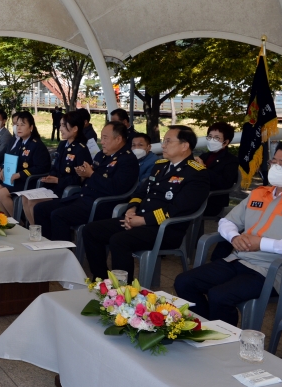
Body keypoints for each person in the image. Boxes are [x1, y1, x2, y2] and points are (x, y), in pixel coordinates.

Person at [174, 141, 282, 325]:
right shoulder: (259, 193)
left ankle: (222, 342)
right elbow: (227, 221)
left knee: (220, 295)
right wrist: (234, 237)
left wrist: (261, 243)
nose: (275, 167)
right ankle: (207, 328)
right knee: (184, 282)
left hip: (270, 270)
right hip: (238, 259)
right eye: (273, 162)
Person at [82, 125, 210, 282]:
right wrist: (131, 209)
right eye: (164, 141)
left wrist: (142, 220)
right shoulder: (160, 165)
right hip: (138, 219)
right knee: (91, 230)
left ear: (184, 146)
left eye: (168, 141)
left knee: (119, 240)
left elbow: (177, 209)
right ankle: (101, 278)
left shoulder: (196, 174)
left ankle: (122, 291)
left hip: (166, 228)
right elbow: (140, 193)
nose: (163, 145)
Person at [32, 121, 137, 241]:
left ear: (118, 139)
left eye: (105, 138)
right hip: (83, 198)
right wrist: (83, 174)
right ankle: (48, 247)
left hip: (101, 204)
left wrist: (91, 174)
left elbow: (116, 188)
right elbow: (90, 178)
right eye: (101, 137)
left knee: (58, 215)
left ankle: (63, 253)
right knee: (40, 209)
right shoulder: (101, 155)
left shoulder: (127, 160)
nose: (102, 142)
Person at [21, 109, 92, 225]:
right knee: (25, 198)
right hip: (54, 187)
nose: (60, 129)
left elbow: (80, 178)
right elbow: (56, 166)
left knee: (34, 203)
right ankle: (35, 230)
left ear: (75, 129)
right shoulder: (63, 144)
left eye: (64, 126)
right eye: (60, 125)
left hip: (67, 192)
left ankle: (39, 233)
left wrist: (58, 180)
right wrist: (50, 177)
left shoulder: (81, 149)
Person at [0, 111, 51, 215]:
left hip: (28, 181)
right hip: (16, 179)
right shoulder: (20, 143)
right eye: (17, 125)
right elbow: (12, 160)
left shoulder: (37, 145)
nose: (18, 128)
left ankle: (17, 221)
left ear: (31, 127)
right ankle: (5, 220)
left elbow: (42, 168)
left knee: (2, 193)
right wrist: (3, 169)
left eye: (22, 125)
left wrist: (21, 174)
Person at [196, 122, 239, 217]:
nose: (212, 140)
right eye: (210, 137)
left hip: (212, 200)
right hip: (196, 195)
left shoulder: (231, 160)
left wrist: (203, 169)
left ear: (226, 142)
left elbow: (225, 183)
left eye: (216, 138)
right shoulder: (204, 156)